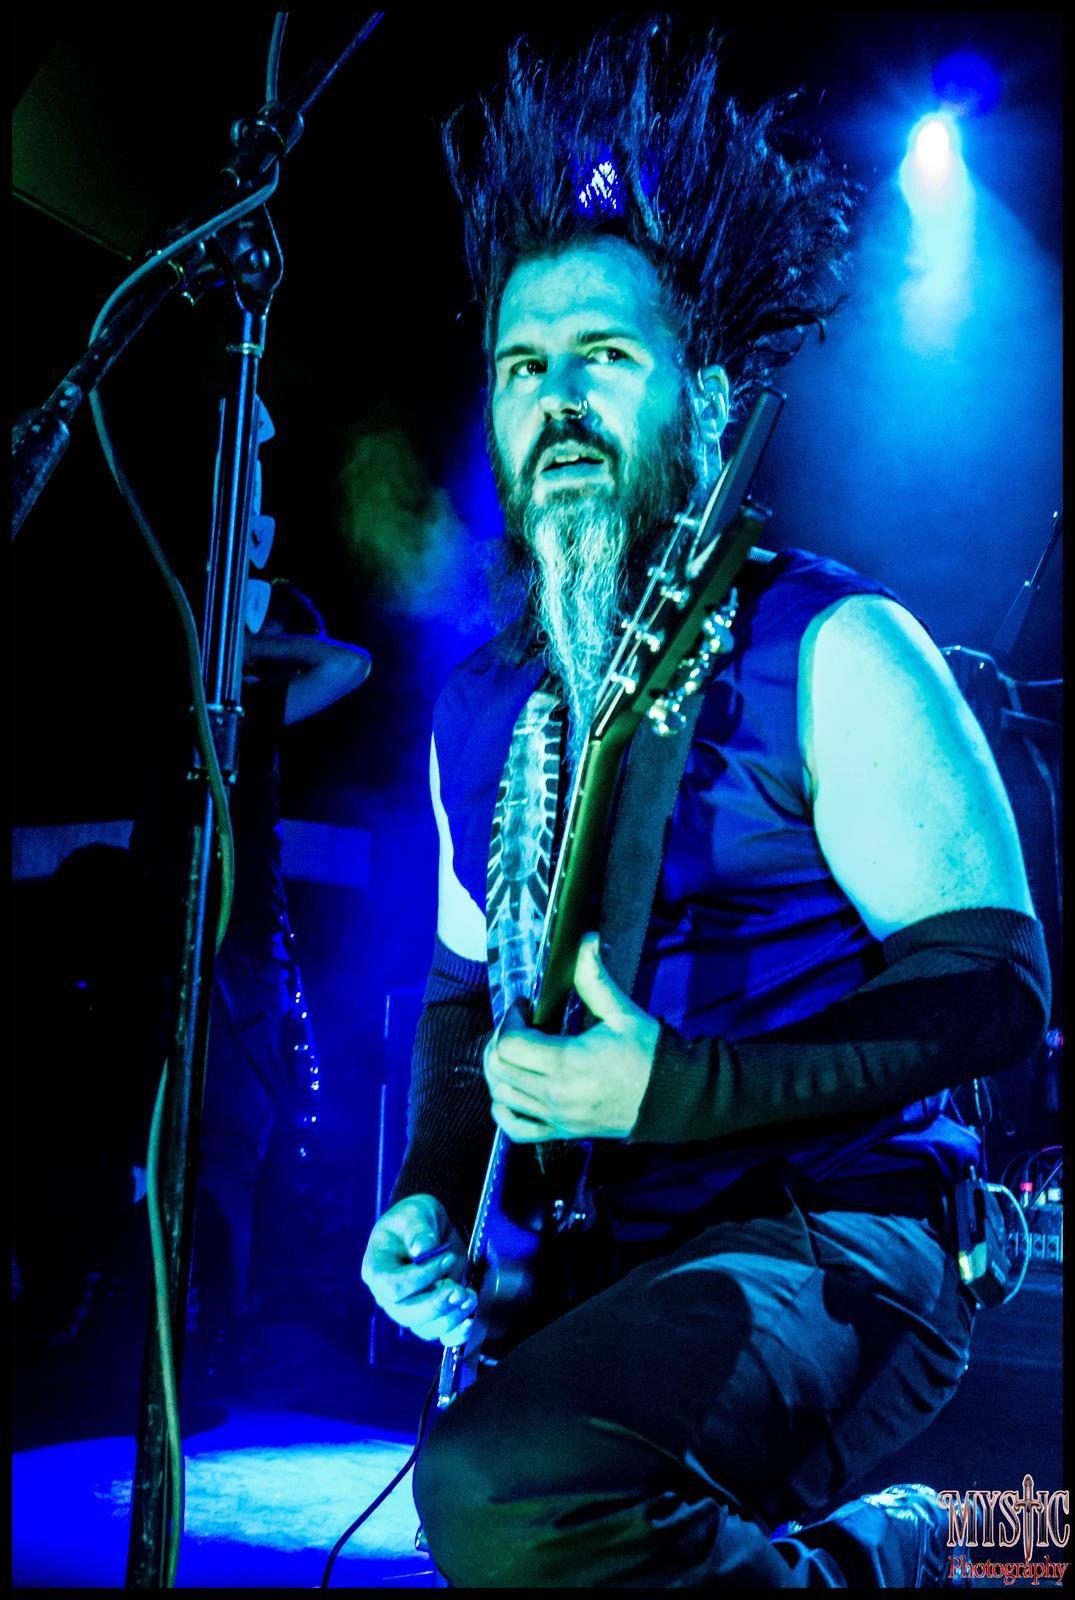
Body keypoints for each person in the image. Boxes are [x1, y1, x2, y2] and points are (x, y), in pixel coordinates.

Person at [360, 21, 1051, 1588]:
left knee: (508, 1491)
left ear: (708, 396)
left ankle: (898, 1561)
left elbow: (991, 988)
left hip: (845, 1229)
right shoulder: (477, 710)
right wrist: (425, 1198)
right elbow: (464, 1000)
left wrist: (677, 1090)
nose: (555, 402)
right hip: (615, 1250)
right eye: (521, 369)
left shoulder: (834, 647)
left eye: (604, 359)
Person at [188, 580, 370, 1386]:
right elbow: (344, 662)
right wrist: (245, 644)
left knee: (230, 1148)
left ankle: (215, 1325)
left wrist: (242, 647)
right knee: (225, 1147)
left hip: (244, 950)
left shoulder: (249, 712)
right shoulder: (221, 705)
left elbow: (347, 664)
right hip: (231, 952)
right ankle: (211, 1328)